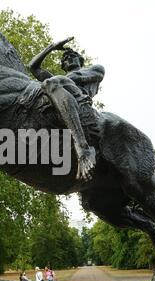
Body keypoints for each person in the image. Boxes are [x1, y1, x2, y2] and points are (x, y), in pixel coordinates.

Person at [28, 37, 105, 181]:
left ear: (80, 60)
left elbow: (76, 78)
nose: (68, 58)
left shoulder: (95, 69)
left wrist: (60, 78)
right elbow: (33, 67)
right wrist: (51, 47)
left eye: (72, 56)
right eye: (65, 58)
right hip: (61, 96)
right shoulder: (58, 82)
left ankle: (83, 147)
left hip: (80, 100)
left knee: (50, 82)